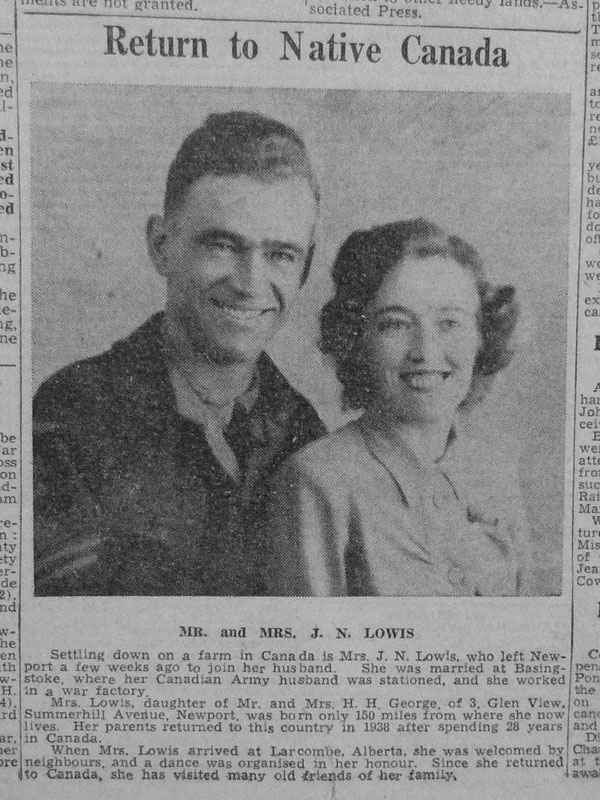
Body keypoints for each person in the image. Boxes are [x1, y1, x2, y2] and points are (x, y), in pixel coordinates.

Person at [34, 111, 326, 596]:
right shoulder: (72, 414)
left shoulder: (306, 434)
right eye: (223, 246)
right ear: (161, 245)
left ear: (305, 268)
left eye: (280, 254)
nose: (251, 284)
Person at [264, 218, 533, 596]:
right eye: (396, 324)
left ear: (481, 339)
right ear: (358, 340)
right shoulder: (318, 483)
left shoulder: (495, 467)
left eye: (450, 323)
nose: (425, 351)